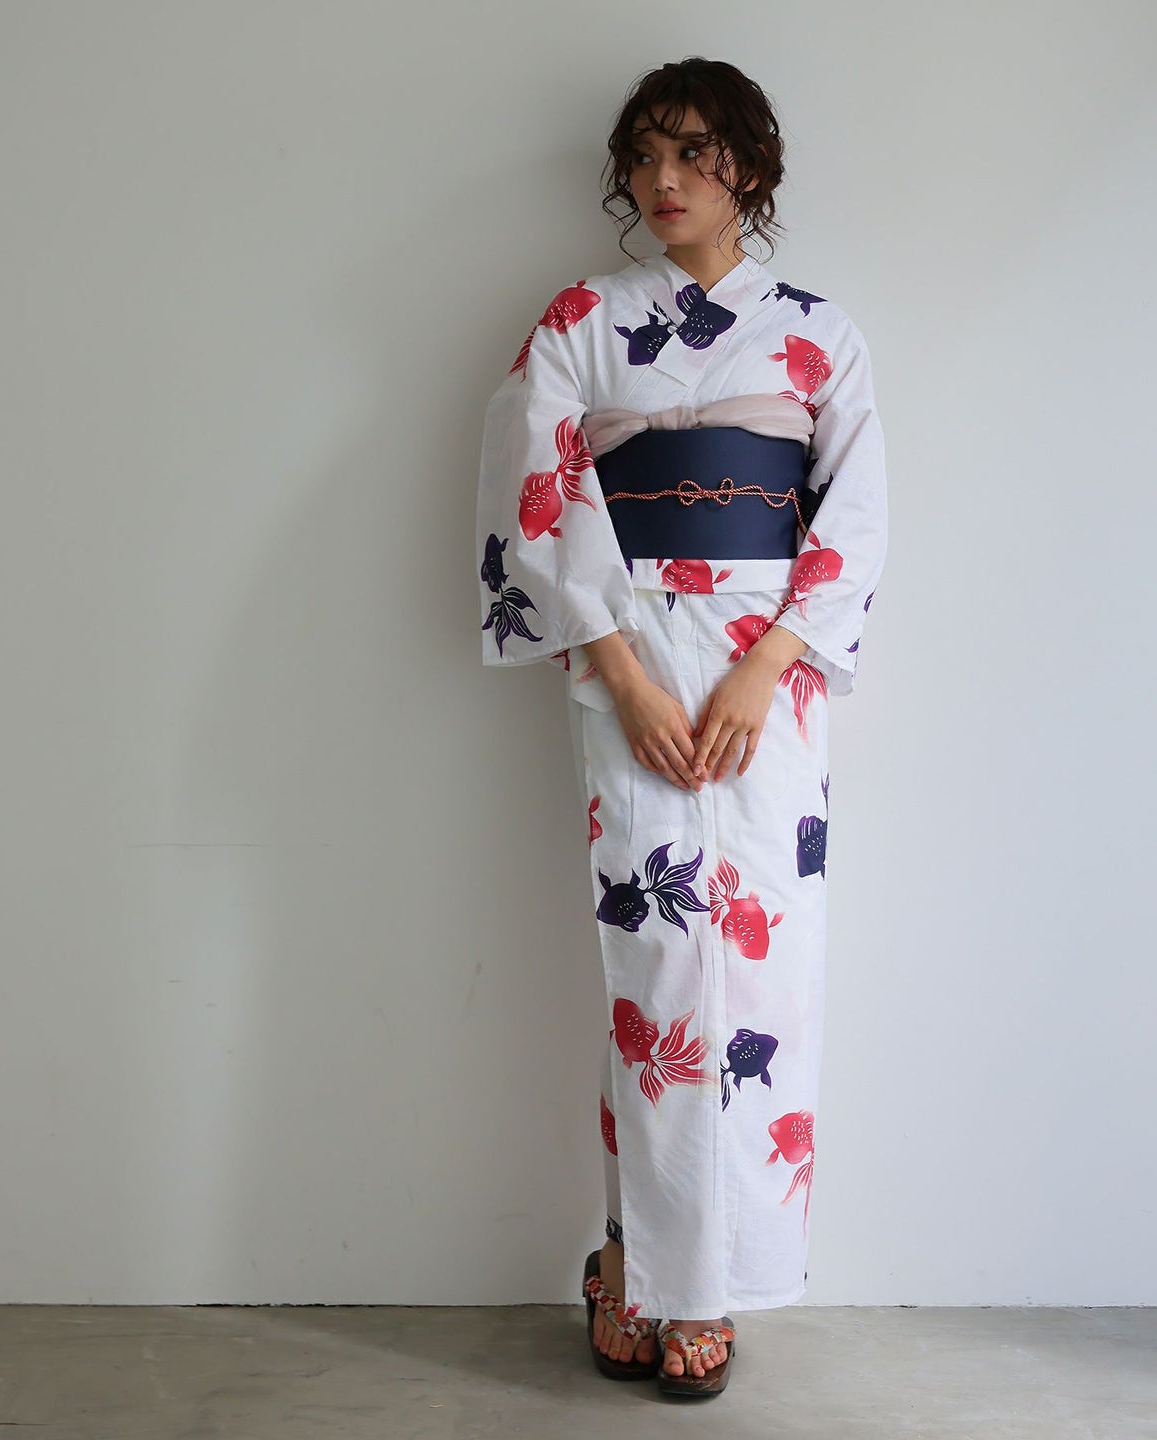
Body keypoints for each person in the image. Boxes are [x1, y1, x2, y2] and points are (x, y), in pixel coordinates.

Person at [475, 56, 888, 1398]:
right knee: (654, 967)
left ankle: (708, 1290)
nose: (666, 180)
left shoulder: (817, 333)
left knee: (767, 967)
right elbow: (536, 489)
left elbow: (856, 512)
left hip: (771, 675)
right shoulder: (583, 322)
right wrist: (625, 671)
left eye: (696, 153)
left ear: (747, 170)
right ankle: (630, 1262)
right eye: (646, 155)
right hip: (631, 661)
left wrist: (767, 666)